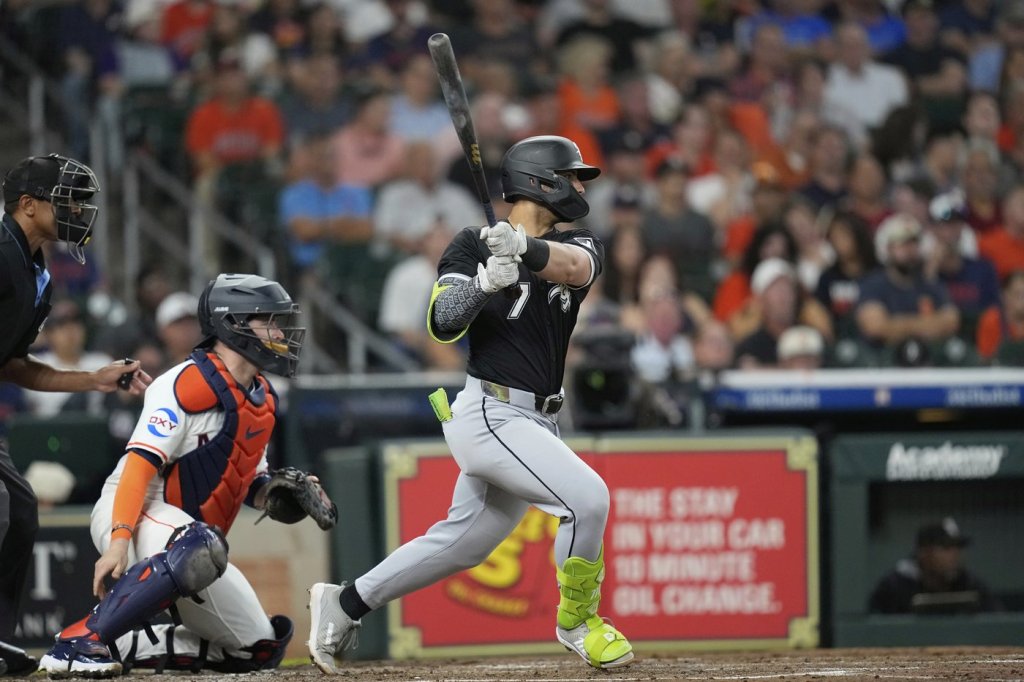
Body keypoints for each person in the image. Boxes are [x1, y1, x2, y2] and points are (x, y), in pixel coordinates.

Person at [307, 135, 634, 672]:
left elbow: (574, 268)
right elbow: (442, 322)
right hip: (491, 412)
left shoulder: (579, 241)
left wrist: (522, 249)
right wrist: (484, 282)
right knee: (587, 499)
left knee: (463, 543)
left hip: (538, 419)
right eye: (572, 176)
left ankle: (344, 604)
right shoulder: (469, 245)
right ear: (540, 181)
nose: (580, 186)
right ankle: (578, 622)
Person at [38, 273, 325, 678]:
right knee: (200, 545)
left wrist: (278, 493)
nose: (279, 332)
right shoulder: (185, 383)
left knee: (256, 649)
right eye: (269, 321)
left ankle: (122, 645)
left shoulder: (261, 398)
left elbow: (250, 481)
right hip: (132, 510)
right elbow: (138, 465)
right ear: (234, 325)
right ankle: (80, 641)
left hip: (192, 542)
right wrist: (118, 543)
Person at [0, 154, 151, 675]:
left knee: (20, 510)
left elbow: (13, 365)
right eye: (65, 201)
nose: (76, 212)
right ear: (28, 205)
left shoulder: (36, 271)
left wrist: (93, 379)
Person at [869, 517, 1001, 614]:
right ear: (923, 552)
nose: (955, 554)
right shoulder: (894, 587)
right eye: (946, 547)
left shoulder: (970, 583)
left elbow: (997, 623)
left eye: (958, 547)